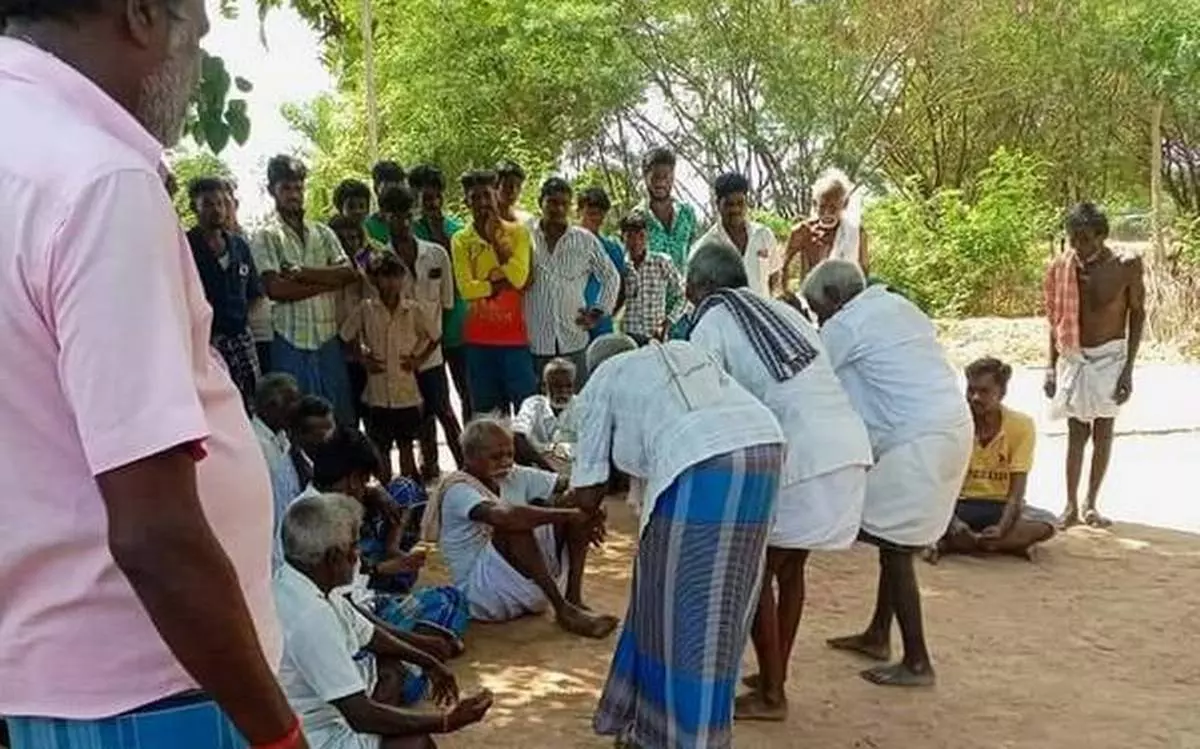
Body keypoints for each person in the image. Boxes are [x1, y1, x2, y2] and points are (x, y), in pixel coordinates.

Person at [0, 12, 302, 749]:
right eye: (195, 32)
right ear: (139, 14)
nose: (199, 60)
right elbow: (154, 532)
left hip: (58, 682)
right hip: (160, 691)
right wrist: (280, 736)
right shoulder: (98, 179)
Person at [569, 334, 786, 749]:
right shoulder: (683, 353)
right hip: (764, 450)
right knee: (710, 606)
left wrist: (580, 508)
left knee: (686, 614)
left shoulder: (605, 376)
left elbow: (587, 490)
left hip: (701, 460)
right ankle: (644, 725)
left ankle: (689, 738)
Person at [686, 243, 873, 721]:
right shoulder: (780, 311)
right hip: (845, 446)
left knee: (755, 575)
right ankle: (775, 675)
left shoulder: (710, 320)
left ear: (702, 287)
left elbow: (706, 402)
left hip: (799, 458)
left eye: (691, 284)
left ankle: (772, 694)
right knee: (787, 570)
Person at [801, 259, 972, 688]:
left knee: (895, 544)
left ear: (835, 299)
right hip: (949, 428)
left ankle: (917, 661)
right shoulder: (899, 306)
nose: (817, 317)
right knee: (889, 535)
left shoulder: (845, 326)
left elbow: (809, 375)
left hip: (918, 440)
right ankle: (879, 632)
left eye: (816, 308)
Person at [275, 493, 493, 749]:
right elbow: (360, 715)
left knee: (391, 671)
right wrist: (445, 721)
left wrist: (429, 662)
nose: (358, 556)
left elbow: (370, 634)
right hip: (319, 738)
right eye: (354, 547)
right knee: (417, 745)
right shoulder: (311, 617)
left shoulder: (300, 583)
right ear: (334, 557)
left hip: (328, 720)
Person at [423, 417, 618, 638]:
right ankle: (563, 609)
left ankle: (573, 599)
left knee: (574, 502)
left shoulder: (514, 473)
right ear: (469, 457)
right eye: (496, 457)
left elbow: (579, 487)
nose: (506, 462)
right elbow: (506, 518)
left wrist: (592, 510)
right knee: (513, 521)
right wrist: (571, 516)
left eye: (510, 454)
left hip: (523, 584)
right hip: (482, 595)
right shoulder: (458, 489)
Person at [306, 429, 469, 646]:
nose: (365, 489)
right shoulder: (323, 521)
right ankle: (415, 653)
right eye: (364, 482)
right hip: (356, 622)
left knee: (450, 597)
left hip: (365, 605)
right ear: (353, 480)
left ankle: (420, 647)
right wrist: (413, 644)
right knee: (446, 602)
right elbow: (350, 611)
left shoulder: (318, 506)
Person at [1044, 202, 1145, 528]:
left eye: (1085, 238)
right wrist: (1050, 365)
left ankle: (1091, 504)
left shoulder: (1125, 266)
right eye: (1073, 238)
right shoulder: (1063, 267)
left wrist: (1128, 369)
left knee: (1103, 431)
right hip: (1075, 356)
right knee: (1076, 432)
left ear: (1101, 236)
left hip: (1111, 358)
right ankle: (1070, 506)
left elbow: (1137, 314)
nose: (1078, 246)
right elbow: (1055, 319)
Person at [251, 155, 360, 428]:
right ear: (272, 190)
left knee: (339, 418)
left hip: (327, 338)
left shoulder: (323, 232)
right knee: (296, 420)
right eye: (286, 188)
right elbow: (276, 289)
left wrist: (302, 273)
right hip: (290, 339)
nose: (294, 195)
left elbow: (348, 274)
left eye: (298, 188)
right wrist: (328, 281)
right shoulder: (266, 236)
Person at [929, 358, 1057, 562]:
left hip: (999, 505)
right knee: (923, 513)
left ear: (1002, 393)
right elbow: (938, 483)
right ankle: (1000, 545)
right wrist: (953, 521)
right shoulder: (955, 424)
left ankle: (961, 544)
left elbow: (1017, 491)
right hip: (959, 504)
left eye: (984, 391)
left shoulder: (1021, 425)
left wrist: (1001, 528)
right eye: (971, 390)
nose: (975, 397)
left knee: (1047, 523)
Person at [379, 186, 464, 480]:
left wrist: (429, 345)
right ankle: (427, 475)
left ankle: (469, 474)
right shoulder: (379, 261)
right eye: (393, 216)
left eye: (406, 215)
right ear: (383, 216)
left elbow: (447, 303)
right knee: (414, 421)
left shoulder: (437, 254)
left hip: (431, 354)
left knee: (445, 412)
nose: (401, 223)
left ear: (413, 215)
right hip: (399, 360)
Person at [340, 253, 436, 480]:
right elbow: (346, 335)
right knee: (381, 448)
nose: (391, 283)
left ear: (403, 278)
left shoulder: (413, 309)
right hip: (377, 391)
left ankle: (410, 497)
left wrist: (418, 360)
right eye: (385, 277)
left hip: (406, 392)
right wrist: (363, 357)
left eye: (396, 276)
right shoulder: (366, 308)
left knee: (406, 447)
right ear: (375, 280)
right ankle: (386, 494)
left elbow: (434, 337)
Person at [450, 169, 537, 416]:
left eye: (487, 196)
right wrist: (500, 283)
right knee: (490, 419)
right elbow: (467, 289)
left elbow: (520, 279)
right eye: (474, 197)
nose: (482, 203)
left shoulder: (518, 232)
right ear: (466, 201)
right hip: (479, 341)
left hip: (515, 340)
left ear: (496, 196)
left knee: (527, 416)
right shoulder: (460, 240)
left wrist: (495, 241)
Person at [526, 177, 620, 387]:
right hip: (537, 342)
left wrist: (598, 311)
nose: (558, 209)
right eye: (552, 202)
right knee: (542, 405)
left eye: (564, 204)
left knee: (577, 404)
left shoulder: (584, 239)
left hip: (574, 339)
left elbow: (611, 276)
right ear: (540, 202)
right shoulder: (525, 235)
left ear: (570, 207)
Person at [187, 176, 264, 409]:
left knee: (252, 400)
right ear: (195, 207)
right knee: (217, 404)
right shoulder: (186, 246)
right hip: (206, 340)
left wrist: (243, 324)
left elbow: (254, 293)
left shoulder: (239, 246)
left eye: (221, 203)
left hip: (241, 337)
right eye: (208, 204)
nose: (216, 210)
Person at [409, 163, 472, 418]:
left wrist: (439, 235)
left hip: (458, 325)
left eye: (436, 197)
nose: (432, 203)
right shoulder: (408, 232)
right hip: (423, 333)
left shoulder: (457, 230)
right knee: (434, 402)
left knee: (468, 393)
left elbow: (461, 275)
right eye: (425, 197)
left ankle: (471, 452)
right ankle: (430, 457)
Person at [691, 172, 782, 297]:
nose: (735, 210)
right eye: (729, 204)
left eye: (740, 203)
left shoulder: (764, 235)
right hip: (726, 315)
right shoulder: (706, 246)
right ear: (718, 204)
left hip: (761, 313)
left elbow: (774, 276)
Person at [251, 373, 305, 570]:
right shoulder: (256, 444)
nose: (298, 408)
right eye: (292, 402)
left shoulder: (283, 437)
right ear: (271, 407)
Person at [785, 168, 870, 280]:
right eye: (822, 207)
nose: (827, 213)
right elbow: (783, 266)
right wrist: (786, 293)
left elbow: (864, 270)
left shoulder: (856, 233)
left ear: (845, 204)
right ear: (815, 204)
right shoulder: (802, 231)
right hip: (810, 295)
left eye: (833, 208)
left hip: (848, 295)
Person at [619, 212, 688, 345]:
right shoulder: (621, 266)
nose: (636, 242)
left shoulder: (661, 262)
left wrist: (667, 323)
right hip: (628, 338)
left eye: (641, 236)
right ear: (623, 238)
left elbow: (684, 295)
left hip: (656, 337)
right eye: (630, 237)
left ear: (647, 237)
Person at [576, 186, 627, 338]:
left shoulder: (613, 248)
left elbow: (621, 287)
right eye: (590, 213)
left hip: (601, 325)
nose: (596, 218)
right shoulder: (565, 244)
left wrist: (605, 312)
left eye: (600, 214)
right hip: (571, 323)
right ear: (579, 211)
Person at [512, 358, 579, 474]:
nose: (563, 392)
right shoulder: (533, 404)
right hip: (540, 470)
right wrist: (548, 467)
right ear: (544, 386)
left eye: (568, 386)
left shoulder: (584, 406)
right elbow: (518, 435)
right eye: (557, 386)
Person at [291, 394, 337, 487]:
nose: (328, 437)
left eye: (331, 428)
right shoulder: (293, 471)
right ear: (300, 434)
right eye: (320, 434)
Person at [365, 160, 407, 244]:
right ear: (376, 188)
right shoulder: (366, 227)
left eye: (397, 182)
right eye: (388, 183)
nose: (393, 189)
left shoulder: (413, 223)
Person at [496, 159, 535, 227]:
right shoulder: (482, 220)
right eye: (508, 185)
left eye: (518, 185)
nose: (513, 190)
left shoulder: (527, 222)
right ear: (496, 186)